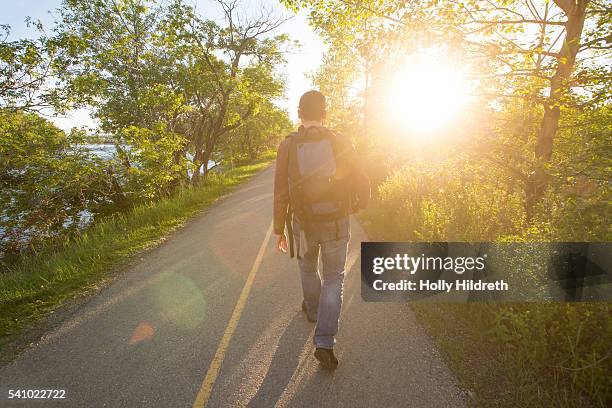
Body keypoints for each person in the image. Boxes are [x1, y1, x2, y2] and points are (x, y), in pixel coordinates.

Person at [273, 90, 370, 370]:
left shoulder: (288, 145)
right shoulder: (339, 140)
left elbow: (280, 190)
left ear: (299, 114)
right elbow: (361, 175)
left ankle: (313, 310)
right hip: (337, 222)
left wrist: (279, 228)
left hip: (303, 223)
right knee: (334, 277)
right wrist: (361, 204)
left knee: (306, 266)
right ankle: (325, 342)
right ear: (324, 113)